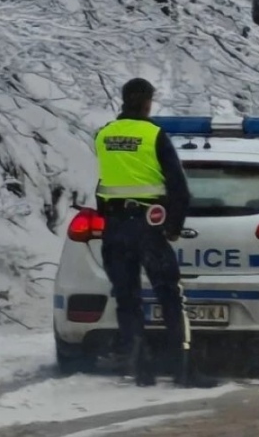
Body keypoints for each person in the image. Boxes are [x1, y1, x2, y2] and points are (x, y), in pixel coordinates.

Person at [94, 77, 212, 388]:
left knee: (127, 298)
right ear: (148, 102)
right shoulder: (154, 135)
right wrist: (173, 226)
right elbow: (178, 187)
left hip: (115, 228)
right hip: (148, 227)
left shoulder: (103, 135)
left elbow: (104, 183)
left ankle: (142, 369)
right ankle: (183, 369)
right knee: (170, 295)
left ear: (123, 99)